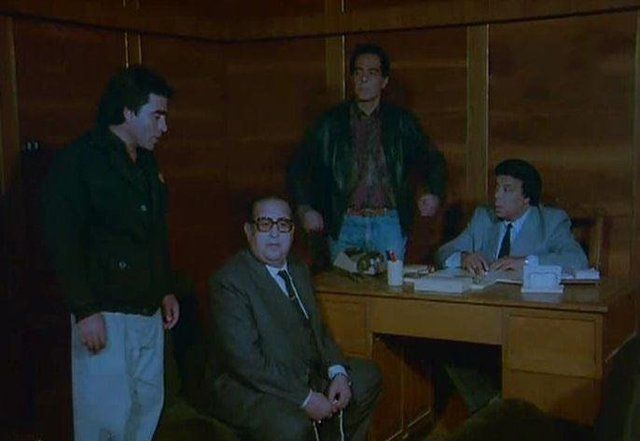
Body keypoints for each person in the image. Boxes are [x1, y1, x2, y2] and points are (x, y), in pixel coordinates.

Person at [41, 65, 179, 441]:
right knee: (105, 418)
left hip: (146, 308)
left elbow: (154, 234)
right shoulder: (80, 161)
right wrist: (84, 309)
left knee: (144, 410)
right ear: (128, 112)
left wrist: (164, 288)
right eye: (157, 116)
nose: (164, 127)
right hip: (104, 311)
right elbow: (62, 240)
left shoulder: (146, 161)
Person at [207, 196, 381, 441]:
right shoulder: (230, 281)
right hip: (252, 387)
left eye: (283, 225)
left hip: (303, 371)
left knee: (366, 377)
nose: (274, 234)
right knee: (292, 426)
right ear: (249, 231)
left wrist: (338, 372)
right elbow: (247, 363)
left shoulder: (298, 269)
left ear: (292, 231)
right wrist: (305, 397)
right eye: (265, 224)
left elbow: (319, 330)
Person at [288, 43, 446, 263]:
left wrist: (433, 193)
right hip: (344, 222)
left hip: (388, 222)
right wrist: (305, 207)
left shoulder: (400, 122)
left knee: (390, 284)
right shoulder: (331, 123)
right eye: (358, 72)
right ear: (352, 78)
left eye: (372, 73)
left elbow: (433, 160)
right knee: (343, 283)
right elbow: (300, 166)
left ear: (384, 81)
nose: (364, 79)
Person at [436, 158, 588, 275]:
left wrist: (526, 263)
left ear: (526, 197)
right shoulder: (484, 217)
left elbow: (578, 260)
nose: (497, 195)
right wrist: (463, 258)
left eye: (507, 190)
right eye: (497, 188)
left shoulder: (551, 221)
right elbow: (443, 253)